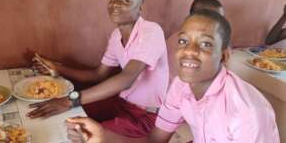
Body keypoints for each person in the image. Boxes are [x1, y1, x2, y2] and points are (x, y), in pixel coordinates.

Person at [66, 10, 280, 143]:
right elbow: (155, 140)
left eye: (205, 44)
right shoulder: (181, 87)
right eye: (183, 41)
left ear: (224, 55)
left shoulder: (245, 115)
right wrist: (103, 137)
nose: (189, 51)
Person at [30, 0, 169, 138]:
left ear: (140, 8)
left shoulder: (151, 31)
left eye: (126, 0)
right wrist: (57, 68)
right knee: (62, 117)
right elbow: (98, 74)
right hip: (119, 103)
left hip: (145, 116)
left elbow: (127, 78)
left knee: (84, 134)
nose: (116, 4)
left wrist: (72, 100)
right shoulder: (117, 35)